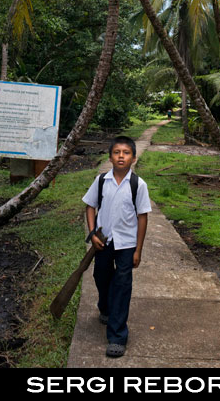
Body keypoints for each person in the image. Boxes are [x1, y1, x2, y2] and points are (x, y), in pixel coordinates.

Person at [83, 135, 152, 358]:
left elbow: (142, 217)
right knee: (101, 276)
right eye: (116, 152)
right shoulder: (101, 180)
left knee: (122, 286)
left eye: (126, 153)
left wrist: (138, 250)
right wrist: (93, 233)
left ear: (133, 157)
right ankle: (104, 306)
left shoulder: (138, 185)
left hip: (127, 244)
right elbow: (90, 206)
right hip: (103, 241)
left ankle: (117, 336)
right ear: (110, 156)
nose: (121, 156)